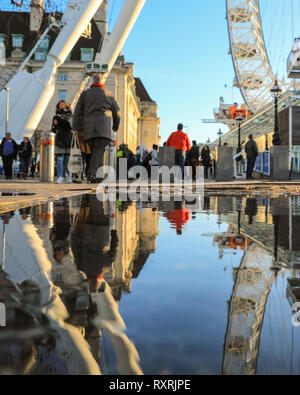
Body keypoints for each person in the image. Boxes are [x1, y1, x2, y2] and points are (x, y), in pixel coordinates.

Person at [72, 73, 121, 184]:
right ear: (102, 82)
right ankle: (92, 174)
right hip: (103, 128)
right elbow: (117, 113)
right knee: (98, 151)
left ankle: (98, 177)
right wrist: (115, 126)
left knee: (96, 151)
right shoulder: (109, 94)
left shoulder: (85, 94)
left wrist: (75, 127)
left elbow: (77, 112)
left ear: (92, 82)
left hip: (88, 128)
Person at [52, 100, 73, 184]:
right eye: (60, 104)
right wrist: (56, 125)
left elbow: (71, 126)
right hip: (59, 138)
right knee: (59, 159)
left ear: (67, 106)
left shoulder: (70, 116)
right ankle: (60, 176)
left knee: (67, 159)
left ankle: (68, 175)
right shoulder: (55, 116)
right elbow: (53, 129)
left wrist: (60, 123)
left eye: (63, 104)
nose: (62, 106)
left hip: (68, 138)